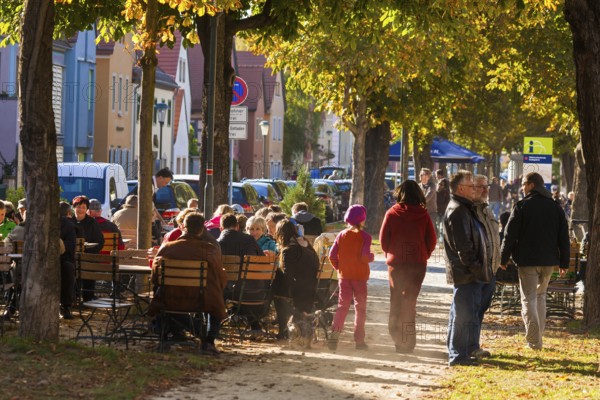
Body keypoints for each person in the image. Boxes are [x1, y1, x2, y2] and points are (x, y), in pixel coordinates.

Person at [500, 172, 570, 350]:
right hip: (548, 262)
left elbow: (509, 235)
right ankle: (538, 336)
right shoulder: (555, 207)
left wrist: (503, 257)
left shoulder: (522, 206)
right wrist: (564, 262)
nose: (522, 188)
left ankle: (534, 340)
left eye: (523, 184)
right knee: (540, 297)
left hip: (527, 261)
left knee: (528, 299)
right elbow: (564, 236)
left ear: (531, 185)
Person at [149, 212, 227, 356]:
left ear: (183, 227)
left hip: (169, 299)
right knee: (216, 297)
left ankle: (165, 336)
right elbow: (221, 277)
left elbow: (155, 278)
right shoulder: (209, 250)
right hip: (201, 300)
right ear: (202, 229)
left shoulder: (166, 248)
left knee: (163, 295)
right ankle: (208, 341)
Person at [379, 181, 436, 353]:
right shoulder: (424, 214)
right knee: (409, 302)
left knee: (396, 300)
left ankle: (397, 337)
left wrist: (390, 253)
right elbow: (431, 240)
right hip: (417, 264)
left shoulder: (391, 213)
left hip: (396, 264)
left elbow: (383, 240)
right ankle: (408, 342)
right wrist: (424, 254)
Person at [443, 170, 491, 366]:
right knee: (463, 314)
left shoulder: (465, 208)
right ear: (461, 188)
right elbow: (464, 247)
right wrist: (477, 269)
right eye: (471, 186)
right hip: (466, 273)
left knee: (463, 312)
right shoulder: (458, 210)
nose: (475, 189)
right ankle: (458, 355)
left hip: (470, 273)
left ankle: (460, 351)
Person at [328, 205, 374, 351]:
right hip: (360, 278)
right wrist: (372, 257)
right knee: (360, 309)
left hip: (344, 276)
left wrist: (339, 268)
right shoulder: (366, 237)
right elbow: (365, 257)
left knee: (342, 306)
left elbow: (331, 256)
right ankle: (359, 341)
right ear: (363, 220)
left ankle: (335, 333)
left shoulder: (341, 235)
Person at [273, 219, 319, 344]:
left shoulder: (288, 250)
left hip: (297, 291)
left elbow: (288, 276)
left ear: (281, 234)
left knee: (276, 292)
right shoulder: (307, 245)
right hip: (311, 290)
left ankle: (282, 329)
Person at [471, 174, 500, 358]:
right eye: (481, 187)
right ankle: (469, 346)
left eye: (486, 186)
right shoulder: (469, 211)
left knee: (480, 310)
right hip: (476, 270)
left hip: (490, 270)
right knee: (470, 311)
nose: (485, 190)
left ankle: (473, 344)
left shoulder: (487, 210)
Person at [71, 195, 105, 301]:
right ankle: (73, 295)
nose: (80, 209)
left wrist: (87, 250)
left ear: (87, 209)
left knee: (89, 263)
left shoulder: (92, 222)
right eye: (78, 207)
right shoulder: (68, 221)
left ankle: (88, 296)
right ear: (74, 207)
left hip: (89, 255)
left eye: (83, 207)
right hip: (72, 255)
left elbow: (100, 241)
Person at [59, 201, 77, 319]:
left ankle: (66, 306)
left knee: (68, 268)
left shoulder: (68, 226)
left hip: (61, 259)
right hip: (40, 261)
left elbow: (69, 247)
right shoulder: (42, 222)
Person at [419, 168, 438, 238]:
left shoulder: (432, 185)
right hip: (420, 212)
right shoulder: (418, 186)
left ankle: (432, 244)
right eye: (421, 174)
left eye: (424, 174)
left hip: (431, 211)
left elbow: (428, 196)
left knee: (431, 229)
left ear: (428, 176)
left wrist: (419, 201)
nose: (422, 176)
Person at [436, 170, 450, 239]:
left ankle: (442, 241)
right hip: (437, 212)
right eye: (439, 184)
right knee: (438, 226)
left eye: (441, 185)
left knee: (442, 227)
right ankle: (438, 240)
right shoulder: (436, 192)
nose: (439, 186)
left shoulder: (446, 193)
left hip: (444, 212)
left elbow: (447, 203)